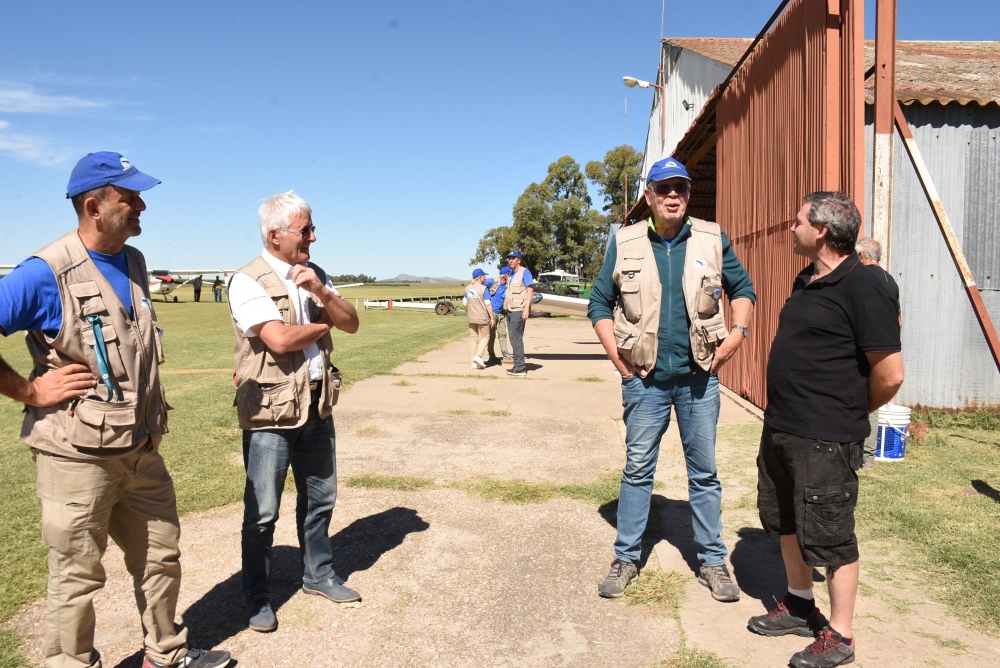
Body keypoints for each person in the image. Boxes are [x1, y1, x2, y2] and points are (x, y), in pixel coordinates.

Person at [0, 152, 231, 668]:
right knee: (77, 575)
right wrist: (30, 392)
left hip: (142, 449)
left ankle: (164, 653)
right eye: (129, 198)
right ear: (93, 207)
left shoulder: (133, 262)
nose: (142, 205)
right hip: (78, 457)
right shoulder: (44, 272)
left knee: (160, 557)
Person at [588, 156, 755, 602]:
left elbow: (744, 290)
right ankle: (626, 556)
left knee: (704, 473)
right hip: (644, 380)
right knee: (638, 469)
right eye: (663, 188)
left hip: (699, 379)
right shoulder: (625, 242)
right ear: (649, 196)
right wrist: (617, 359)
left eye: (680, 187)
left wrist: (737, 334)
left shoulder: (711, 238)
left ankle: (713, 562)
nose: (673, 195)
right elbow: (599, 303)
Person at [748, 192, 903, 668]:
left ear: (820, 231)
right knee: (787, 521)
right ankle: (799, 604)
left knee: (832, 535)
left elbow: (890, 372)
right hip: (783, 426)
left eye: (797, 222)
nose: (790, 228)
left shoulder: (866, 283)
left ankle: (841, 635)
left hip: (826, 436)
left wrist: (849, 411)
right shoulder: (808, 278)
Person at [227, 190, 360, 634]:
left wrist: (321, 290)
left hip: (317, 403)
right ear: (275, 234)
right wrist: (326, 323)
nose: (313, 237)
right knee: (263, 511)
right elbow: (280, 340)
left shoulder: (314, 273)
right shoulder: (247, 279)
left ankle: (319, 574)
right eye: (305, 230)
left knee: (321, 497)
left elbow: (353, 321)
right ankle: (257, 596)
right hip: (271, 412)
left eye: (311, 228)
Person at [855, 237, 902, 468]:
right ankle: (868, 457)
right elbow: (899, 320)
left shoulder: (859, 277)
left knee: (860, 398)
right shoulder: (890, 280)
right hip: (885, 349)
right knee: (873, 401)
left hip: (863, 347)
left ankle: (856, 453)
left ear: (862, 256)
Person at [503, 252, 534, 376]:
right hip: (510, 309)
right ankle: (517, 365)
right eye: (509, 259)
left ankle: (520, 368)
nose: (510, 261)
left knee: (516, 338)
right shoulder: (511, 275)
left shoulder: (524, 272)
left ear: (519, 260)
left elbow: (530, 290)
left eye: (513, 258)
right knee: (512, 337)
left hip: (519, 310)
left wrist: (527, 309)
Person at [464, 268, 493, 369]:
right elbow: (488, 304)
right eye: (484, 276)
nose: (485, 278)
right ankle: (478, 356)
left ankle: (473, 362)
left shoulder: (467, 288)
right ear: (480, 277)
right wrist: (492, 317)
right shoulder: (484, 288)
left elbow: (465, 304)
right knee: (486, 336)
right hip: (482, 317)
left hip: (471, 317)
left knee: (474, 339)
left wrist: (469, 313)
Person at [486, 266, 512, 364]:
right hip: (492, 314)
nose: (510, 276)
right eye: (509, 275)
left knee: (503, 335)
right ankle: (491, 356)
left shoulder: (508, 285)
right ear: (505, 275)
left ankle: (506, 356)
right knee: (491, 336)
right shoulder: (493, 282)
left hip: (501, 314)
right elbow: (480, 286)